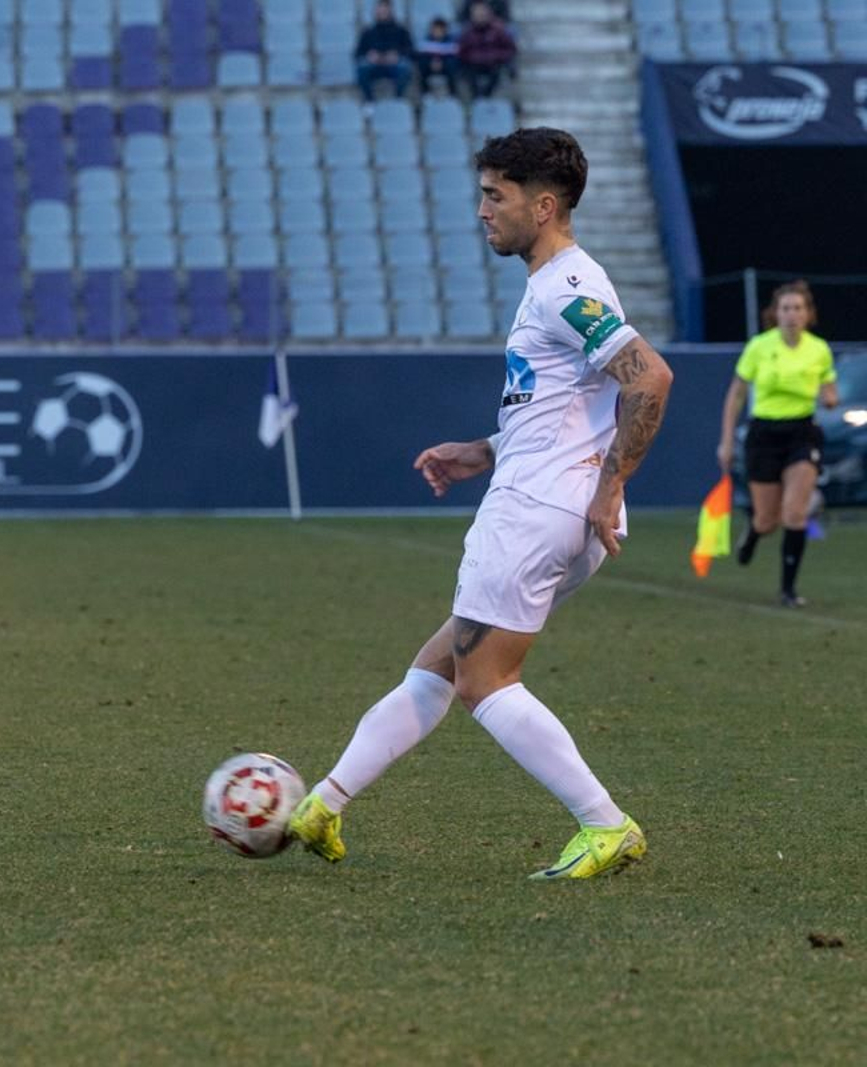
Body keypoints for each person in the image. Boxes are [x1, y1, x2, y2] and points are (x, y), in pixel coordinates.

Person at [286, 127, 674, 881]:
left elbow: (649, 378)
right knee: (440, 664)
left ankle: (605, 823)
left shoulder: (565, 288)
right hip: (547, 501)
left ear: (545, 204)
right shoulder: (563, 284)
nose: (482, 210)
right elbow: (566, 404)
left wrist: (609, 486)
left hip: (538, 510)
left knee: (483, 679)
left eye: (497, 196)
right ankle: (322, 805)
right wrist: (483, 449)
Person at [717, 280, 837, 607]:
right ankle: (754, 532)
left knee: (795, 513)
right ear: (775, 313)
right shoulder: (759, 346)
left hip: (802, 432)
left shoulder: (819, 350)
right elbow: (737, 394)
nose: (792, 315)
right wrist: (726, 441)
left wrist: (829, 398)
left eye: (798, 308)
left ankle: (788, 590)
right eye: (786, 308)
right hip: (764, 434)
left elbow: (830, 391)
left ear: (808, 314)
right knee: (768, 520)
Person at [353, 1, 414, 103]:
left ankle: (397, 100)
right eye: (380, 9)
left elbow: (411, 51)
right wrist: (369, 56)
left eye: (385, 10)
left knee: (405, 68)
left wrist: (397, 55)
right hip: (374, 66)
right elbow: (358, 53)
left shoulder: (401, 31)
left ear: (390, 11)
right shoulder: (368, 32)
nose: (382, 12)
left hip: (394, 66)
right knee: (361, 68)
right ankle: (370, 101)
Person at [456, 0, 517, 99]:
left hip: (493, 63)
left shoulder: (498, 30)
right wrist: (474, 57)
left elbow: (510, 49)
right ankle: (476, 100)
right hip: (473, 64)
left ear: (489, 14)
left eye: (483, 14)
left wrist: (496, 56)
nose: (480, 16)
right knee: (467, 73)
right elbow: (462, 52)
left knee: (498, 73)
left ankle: (487, 97)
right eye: (477, 14)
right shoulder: (467, 32)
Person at [415, 16, 458, 97]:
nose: (437, 32)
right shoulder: (426, 42)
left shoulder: (451, 42)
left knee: (452, 65)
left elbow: (453, 56)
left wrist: (442, 63)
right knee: (422, 64)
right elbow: (421, 56)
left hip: (446, 67)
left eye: (440, 30)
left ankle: (453, 95)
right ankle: (424, 94)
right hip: (429, 67)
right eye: (435, 29)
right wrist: (432, 63)